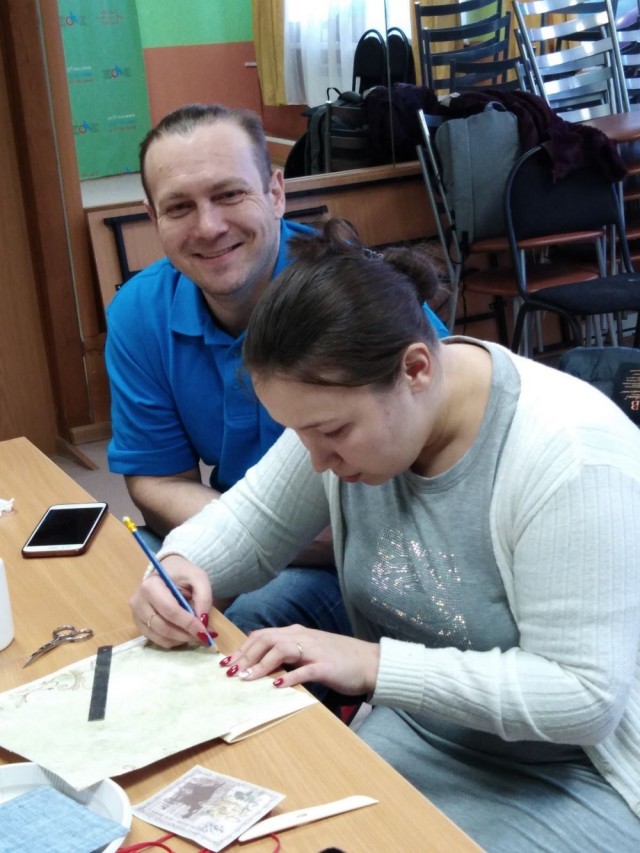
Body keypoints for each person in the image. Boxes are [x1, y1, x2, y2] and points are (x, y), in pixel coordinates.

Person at [130, 218, 640, 851]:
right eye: (300, 434)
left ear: (417, 369)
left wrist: (371, 664)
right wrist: (178, 567)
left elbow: (583, 698)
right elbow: (248, 523)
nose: (316, 461)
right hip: (429, 729)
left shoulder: (571, 458)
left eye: (331, 433)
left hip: (581, 773)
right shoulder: (352, 413)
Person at [106, 103, 449, 645]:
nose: (209, 227)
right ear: (154, 218)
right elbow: (156, 480)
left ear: (276, 193)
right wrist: (242, 535)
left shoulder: (357, 296)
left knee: (252, 624)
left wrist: (259, 538)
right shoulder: (139, 311)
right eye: (179, 207)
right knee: (133, 606)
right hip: (251, 532)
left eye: (229, 194)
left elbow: (447, 489)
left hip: (376, 556)